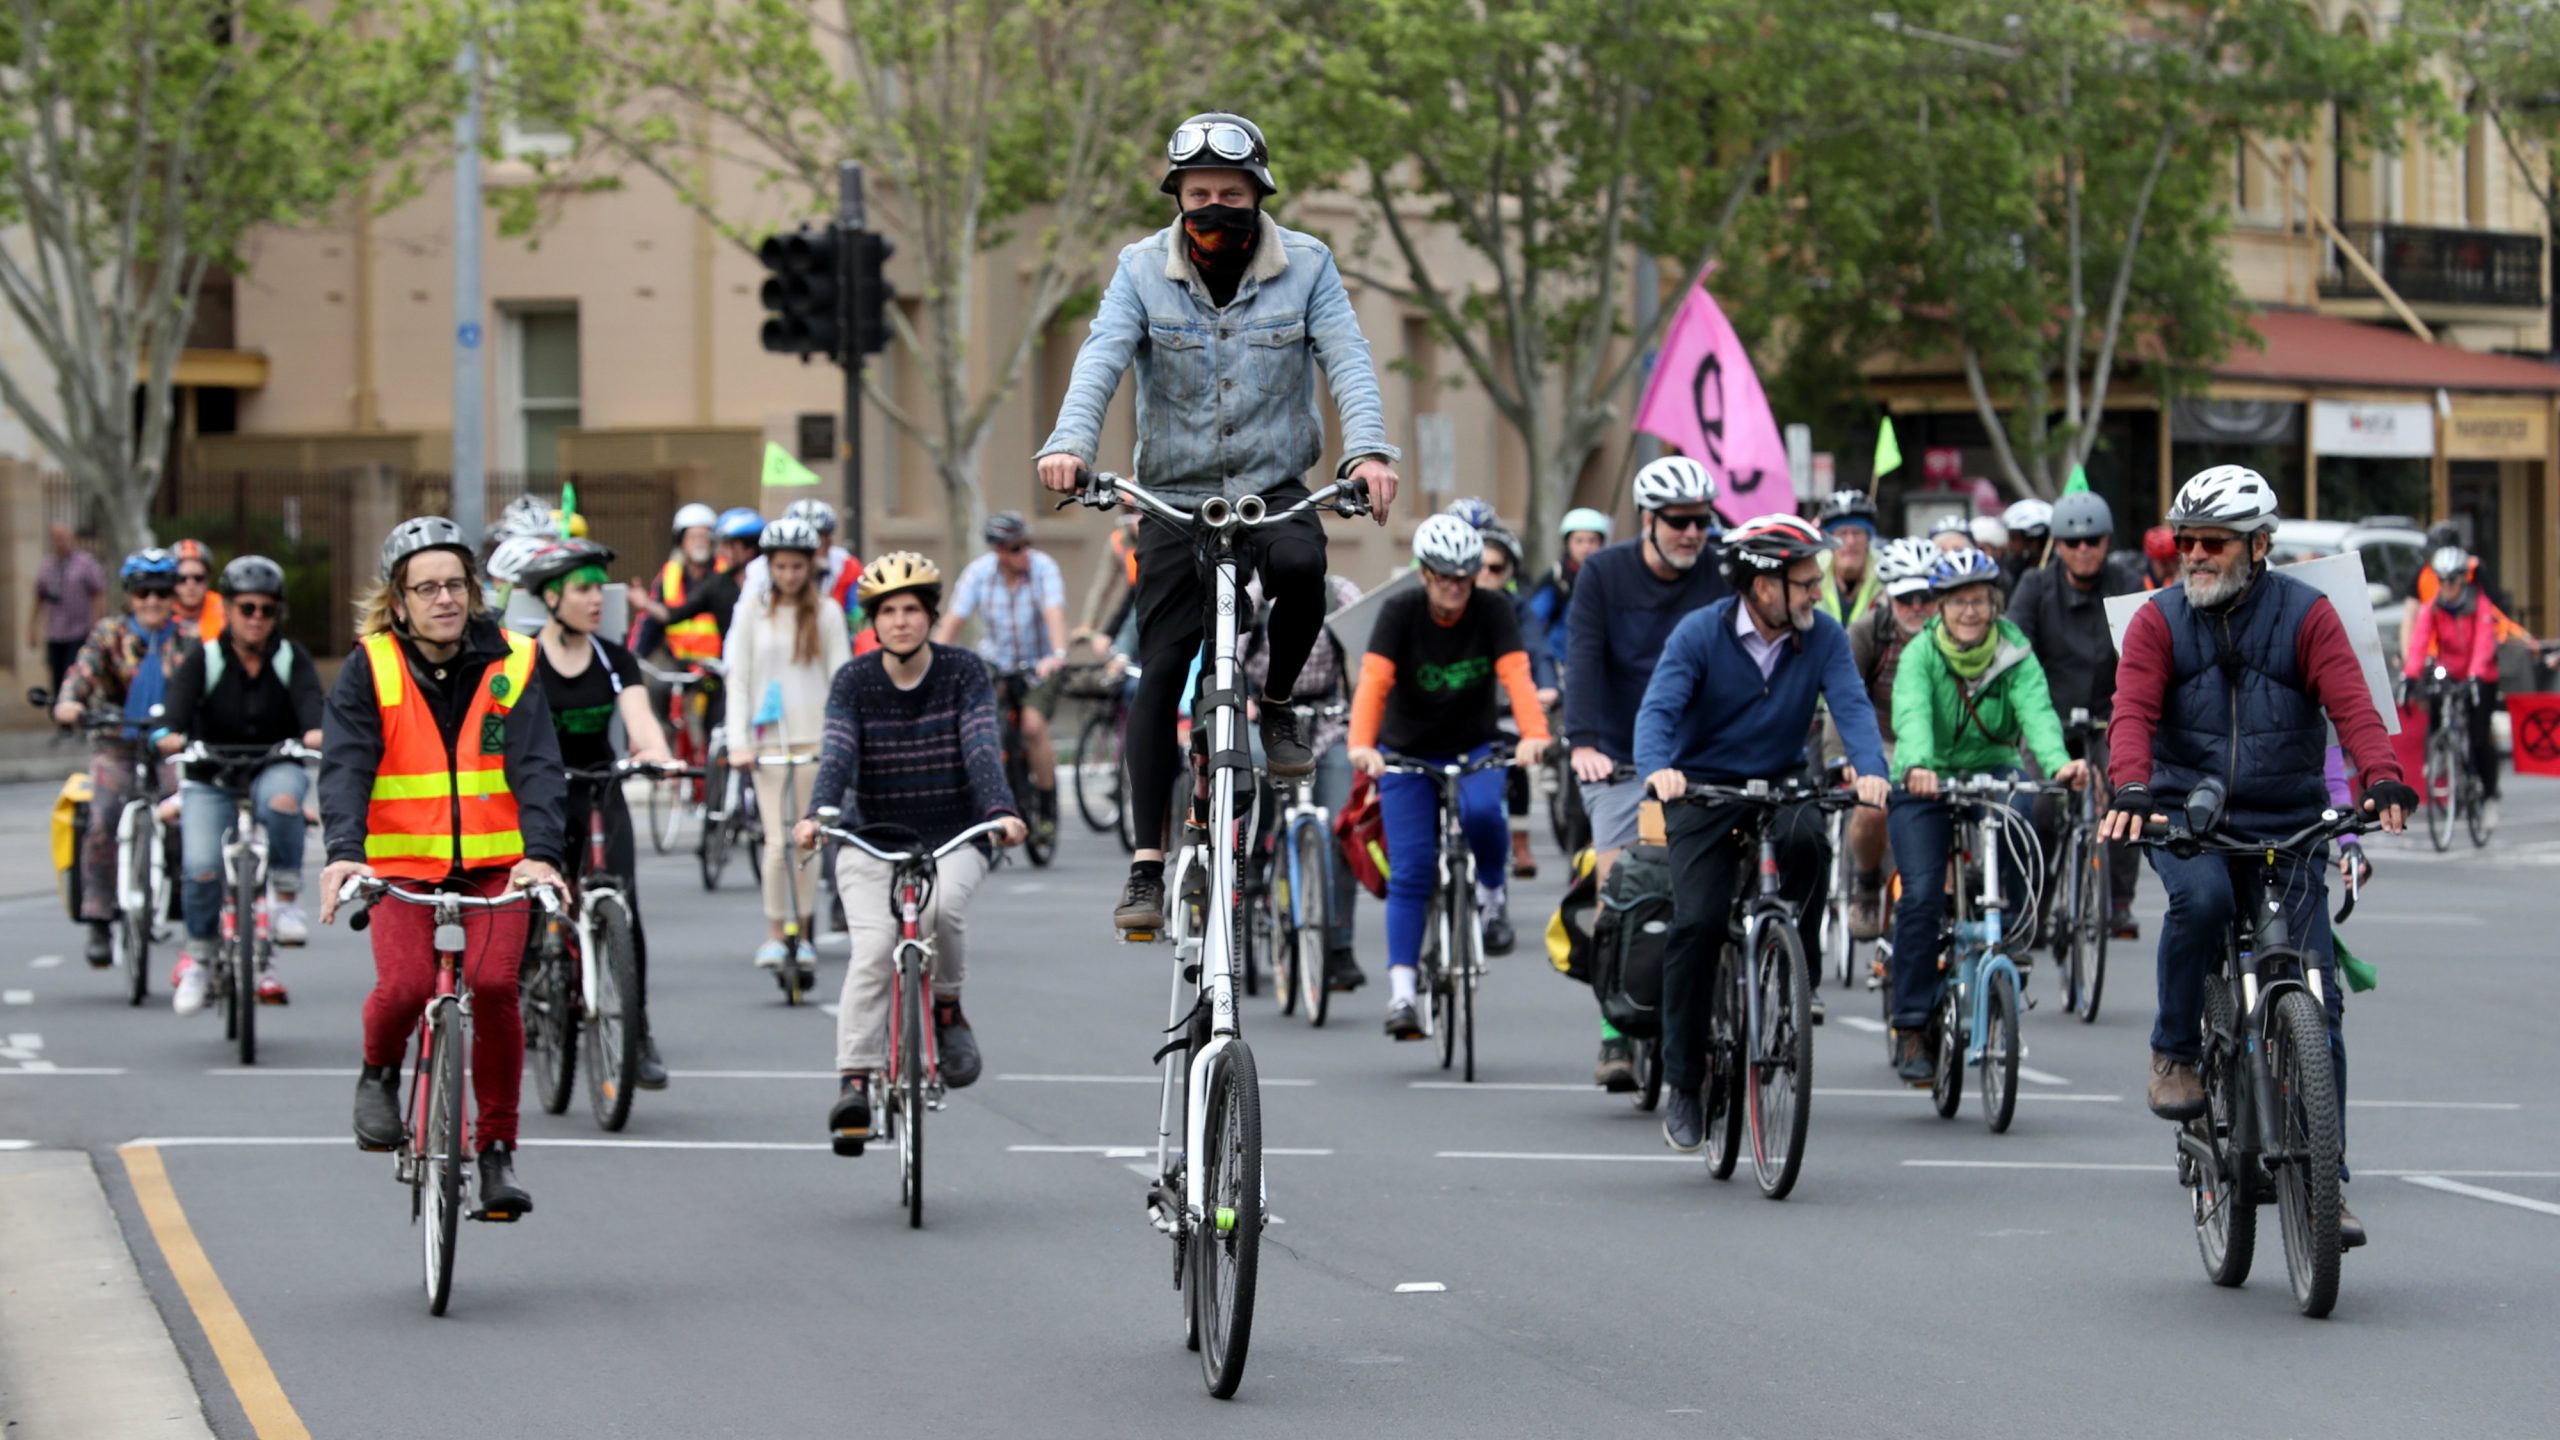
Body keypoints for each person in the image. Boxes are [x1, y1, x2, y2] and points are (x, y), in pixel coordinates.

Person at [1031, 110, 1401, 933]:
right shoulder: (1138, 268)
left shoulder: (1308, 264)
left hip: (1272, 485)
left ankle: (1273, 706)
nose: (1214, 208)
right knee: (1161, 666)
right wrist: (1068, 444)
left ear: (1258, 193)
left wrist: (1369, 453)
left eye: (1230, 193)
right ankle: (1146, 863)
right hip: (1173, 497)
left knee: (1303, 571)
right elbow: (1100, 357)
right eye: (1198, 194)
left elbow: (1347, 357)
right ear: (1178, 197)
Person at [2100, 465, 2414, 1250]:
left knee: (2321, 1002)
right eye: (2188, 542)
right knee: (2200, 904)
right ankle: (2176, 1053)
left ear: (2259, 545)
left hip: (2287, 824)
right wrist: (2132, 788)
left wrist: (2380, 779)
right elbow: (2131, 713)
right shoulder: (2156, 623)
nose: (2196, 556)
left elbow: (2353, 707)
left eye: (2214, 543)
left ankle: (2326, 1184)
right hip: (2185, 818)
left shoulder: (2309, 618)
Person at [316, 517, 567, 1221]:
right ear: (399, 602)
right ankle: (378, 1075)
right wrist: (344, 853)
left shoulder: (513, 660)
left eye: (456, 584)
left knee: (492, 988)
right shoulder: (372, 666)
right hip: (401, 865)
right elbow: (345, 768)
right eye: (426, 588)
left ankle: (494, 1153)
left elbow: (540, 766)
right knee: (402, 987)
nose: (444, 599)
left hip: (497, 866)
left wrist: (542, 856)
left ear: (475, 591)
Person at [1634, 514, 1892, 1151]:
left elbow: (1853, 707)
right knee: (1696, 923)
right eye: (1804, 583)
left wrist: (1871, 771)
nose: (1815, 593)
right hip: (1702, 791)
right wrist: (1658, 770)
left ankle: (1792, 965)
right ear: (1760, 585)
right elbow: (1659, 709)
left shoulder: (1823, 637)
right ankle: (1685, 1085)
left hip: (1780, 782)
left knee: (1809, 841)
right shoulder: (1699, 633)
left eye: (1816, 582)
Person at [792, 554, 1026, 1150]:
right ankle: (854, 1081)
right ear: (873, 622)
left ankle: (947, 1012)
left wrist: (1000, 810)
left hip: (954, 831)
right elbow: (838, 754)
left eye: (912, 611)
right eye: (889, 612)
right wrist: (818, 816)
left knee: (941, 911)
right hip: (870, 835)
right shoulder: (854, 680)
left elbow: (980, 745)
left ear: (930, 616)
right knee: (872, 946)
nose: (901, 622)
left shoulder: (963, 672)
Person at [1882, 547, 2087, 1082]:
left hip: (1991, 771)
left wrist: (2060, 764)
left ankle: (2013, 936)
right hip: (1924, 778)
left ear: (1995, 605)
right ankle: (1908, 1025)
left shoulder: (2015, 652)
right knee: (1923, 896)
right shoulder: (1919, 655)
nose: (1970, 612)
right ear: (1940, 609)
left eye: (1979, 601)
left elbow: (2038, 715)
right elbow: (1911, 713)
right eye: (1958, 603)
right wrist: (1920, 765)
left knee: (2026, 813)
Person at [1347, 517, 1550, 1038]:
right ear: (1424, 574)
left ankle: (1491, 892)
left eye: (1465, 576)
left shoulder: (1494, 609)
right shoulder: (1399, 612)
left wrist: (1533, 734)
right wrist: (1362, 746)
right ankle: (1402, 995)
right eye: (1444, 576)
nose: (1456, 587)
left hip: (1473, 744)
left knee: (1484, 812)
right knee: (1411, 869)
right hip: (1406, 752)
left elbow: (1517, 676)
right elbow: (1373, 682)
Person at [1563, 455, 1729, 1088]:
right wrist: (1582, 741)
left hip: (1700, 755)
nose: (1693, 533)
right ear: (1648, 520)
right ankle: (1615, 1035)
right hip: (1619, 754)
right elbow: (1583, 656)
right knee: (1622, 885)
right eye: (1680, 521)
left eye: (1702, 522)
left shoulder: (1719, 571)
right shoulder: (1604, 573)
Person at [519, 538, 676, 1090]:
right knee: (531, 899)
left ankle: (638, 1031)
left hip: (598, 787)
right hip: (541, 794)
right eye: (583, 589)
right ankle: (530, 985)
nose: (595, 599)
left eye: (595, 589)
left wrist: (654, 754)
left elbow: (640, 721)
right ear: (553, 596)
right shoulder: (522, 660)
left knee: (622, 902)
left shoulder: (614, 658)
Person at [156, 556, 324, 1013]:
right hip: (212, 774)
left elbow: (312, 706)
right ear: (227, 609)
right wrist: (171, 733)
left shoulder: (291, 657)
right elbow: (175, 710)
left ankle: (287, 900)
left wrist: (315, 731)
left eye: (267, 610)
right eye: (246, 608)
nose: (256, 618)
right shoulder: (204, 657)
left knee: (285, 798)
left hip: (273, 764)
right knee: (202, 866)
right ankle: (201, 958)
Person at [2007, 490, 2144, 937]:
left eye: (2093, 541)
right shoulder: (2034, 586)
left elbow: (2145, 654)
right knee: (2042, 806)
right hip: (2048, 716)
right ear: (2058, 546)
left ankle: (2119, 901)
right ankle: (2037, 906)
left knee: (2128, 790)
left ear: (2107, 542)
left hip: (2110, 712)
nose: (2082, 550)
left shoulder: (2127, 580)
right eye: (2071, 542)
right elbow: (2016, 652)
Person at [723, 515, 852, 979]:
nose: (790, 575)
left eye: (798, 566)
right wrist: (738, 743)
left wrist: (842, 741)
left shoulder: (828, 613)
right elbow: (740, 680)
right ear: (769, 567)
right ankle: (777, 934)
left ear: (810, 566)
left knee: (807, 841)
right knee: (776, 841)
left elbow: (843, 681)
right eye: (781, 566)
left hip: (816, 742)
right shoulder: (752, 612)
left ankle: (805, 930)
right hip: (767, 745)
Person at [52, 549, 194, 967]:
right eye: (143, 592)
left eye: (162, 592)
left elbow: (206, 686)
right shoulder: (108, 634)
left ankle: (183, 902)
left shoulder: (188, 640)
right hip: (116, 742)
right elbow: (81, 675)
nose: (152, 600)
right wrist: (69, 704)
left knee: (183, 807)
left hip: (167, 745)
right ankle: (99, 917)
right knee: (103, 815)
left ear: (174, 596)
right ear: (130, 596)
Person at [1244, 572, 1367, 993]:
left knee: (1339, 830)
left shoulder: (1339, 592)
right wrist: (1239, 696)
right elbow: (1230, 656)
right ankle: (1255, 856)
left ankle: (1339, 948)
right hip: (1263, 717)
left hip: (1327, 718)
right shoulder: (1254, 595)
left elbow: (1372, 651)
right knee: (1252, 767)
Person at [935, 511, 1069, 835]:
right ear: (997, 551)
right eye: (1015, 548)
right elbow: (952, 622)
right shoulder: (978, 574)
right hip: (996, 661)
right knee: (985, 725)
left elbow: (1054, 613)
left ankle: (1047, 806)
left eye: (1026, 545)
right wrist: (933, 661)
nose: (1023, 553)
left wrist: (1058, 654)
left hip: (1038, 663)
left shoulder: (1043, 568)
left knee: (1033, 727)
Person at [1840, 536, 1942, 937]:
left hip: (1936, 743)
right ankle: (1866, 883)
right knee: (1870, 807)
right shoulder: (1867, 632)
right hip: (1878, 737)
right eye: (1906, 599)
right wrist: (1845, 758)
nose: (1917, 607)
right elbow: (1843, 697)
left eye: (1926, 596)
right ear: (1887, 596)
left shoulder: (1952, 632)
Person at [1466, 514, 1546, 880]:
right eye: (1477, 566)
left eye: (1495, 568)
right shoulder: (1452, 604)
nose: (1485, 575)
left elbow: (1535, 652)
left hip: (1504, 710)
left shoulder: (1516, 609)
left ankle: (1520, 839)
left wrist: (1546, 687)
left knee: (1518, 762)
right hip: (1456, 717)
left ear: (1509, 572)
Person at [2403, 545, 2502, 826]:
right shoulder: (2433, 606)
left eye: (2452, 580)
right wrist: (2409, 676)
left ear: (2462, 580)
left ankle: (2490, 795)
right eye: (2441, 580)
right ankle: (2439, 751)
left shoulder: (2479, 604)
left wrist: (2475, 674)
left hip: (2480, 673)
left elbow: (2484, 643)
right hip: (2450, 670)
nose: (2446, 586)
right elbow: (2420, 640)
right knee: (2435, 693)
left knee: (2480, 736)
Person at [1519, 507, 1610, 692]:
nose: (1586, 547)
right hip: (1561, 667)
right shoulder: (1557, 579)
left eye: (1593, 541)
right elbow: (1533, 622)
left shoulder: (1611, 578)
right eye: (1579, 541)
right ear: (1568, 543)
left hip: (1602, 666)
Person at [31, 524, 107, 742]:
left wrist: (97, 625)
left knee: (75, 675)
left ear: (71, 537)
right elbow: (39, 596)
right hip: (55, 631)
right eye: (56, 537)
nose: (60, 541)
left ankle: (81, 722)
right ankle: (63, 726)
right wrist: (32, 627)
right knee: (56, 678)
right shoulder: (47, 566)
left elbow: (98, 593)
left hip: (79, 630)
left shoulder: (85, 563)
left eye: (63, 536)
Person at [632, 501, 724, 666]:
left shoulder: (724, 573)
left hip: (717, 665)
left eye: (704, 537)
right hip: (677, 665)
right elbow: (650, 622)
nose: (699, 543)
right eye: (693, 537)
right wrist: (634, 659)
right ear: (682, 541)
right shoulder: (669, 574)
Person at [1814, 490, 1883, 625]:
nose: (1850, 541)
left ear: (1868, 538)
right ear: (1829, 540)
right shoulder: (1813, 571)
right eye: (1841, 533)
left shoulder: (1885, 571)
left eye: (1857, 532)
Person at [170, 539, 224, 642]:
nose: (191, 585)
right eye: (182, 579)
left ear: (208, 580)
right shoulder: (160, 612)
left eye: (198, 578)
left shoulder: (226, 611)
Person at [1999, 498, 2052, 586]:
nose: (2009, 544)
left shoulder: (2057, 573)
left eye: (2013, 538)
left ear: (2033, 541)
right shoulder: (2011, 569)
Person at [2139, 525, 2178, 590]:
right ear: (2152, 560)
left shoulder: (2179, 578)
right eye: (2163, 562)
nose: (2169, 568)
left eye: (2173, 560)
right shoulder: (2136, 582)